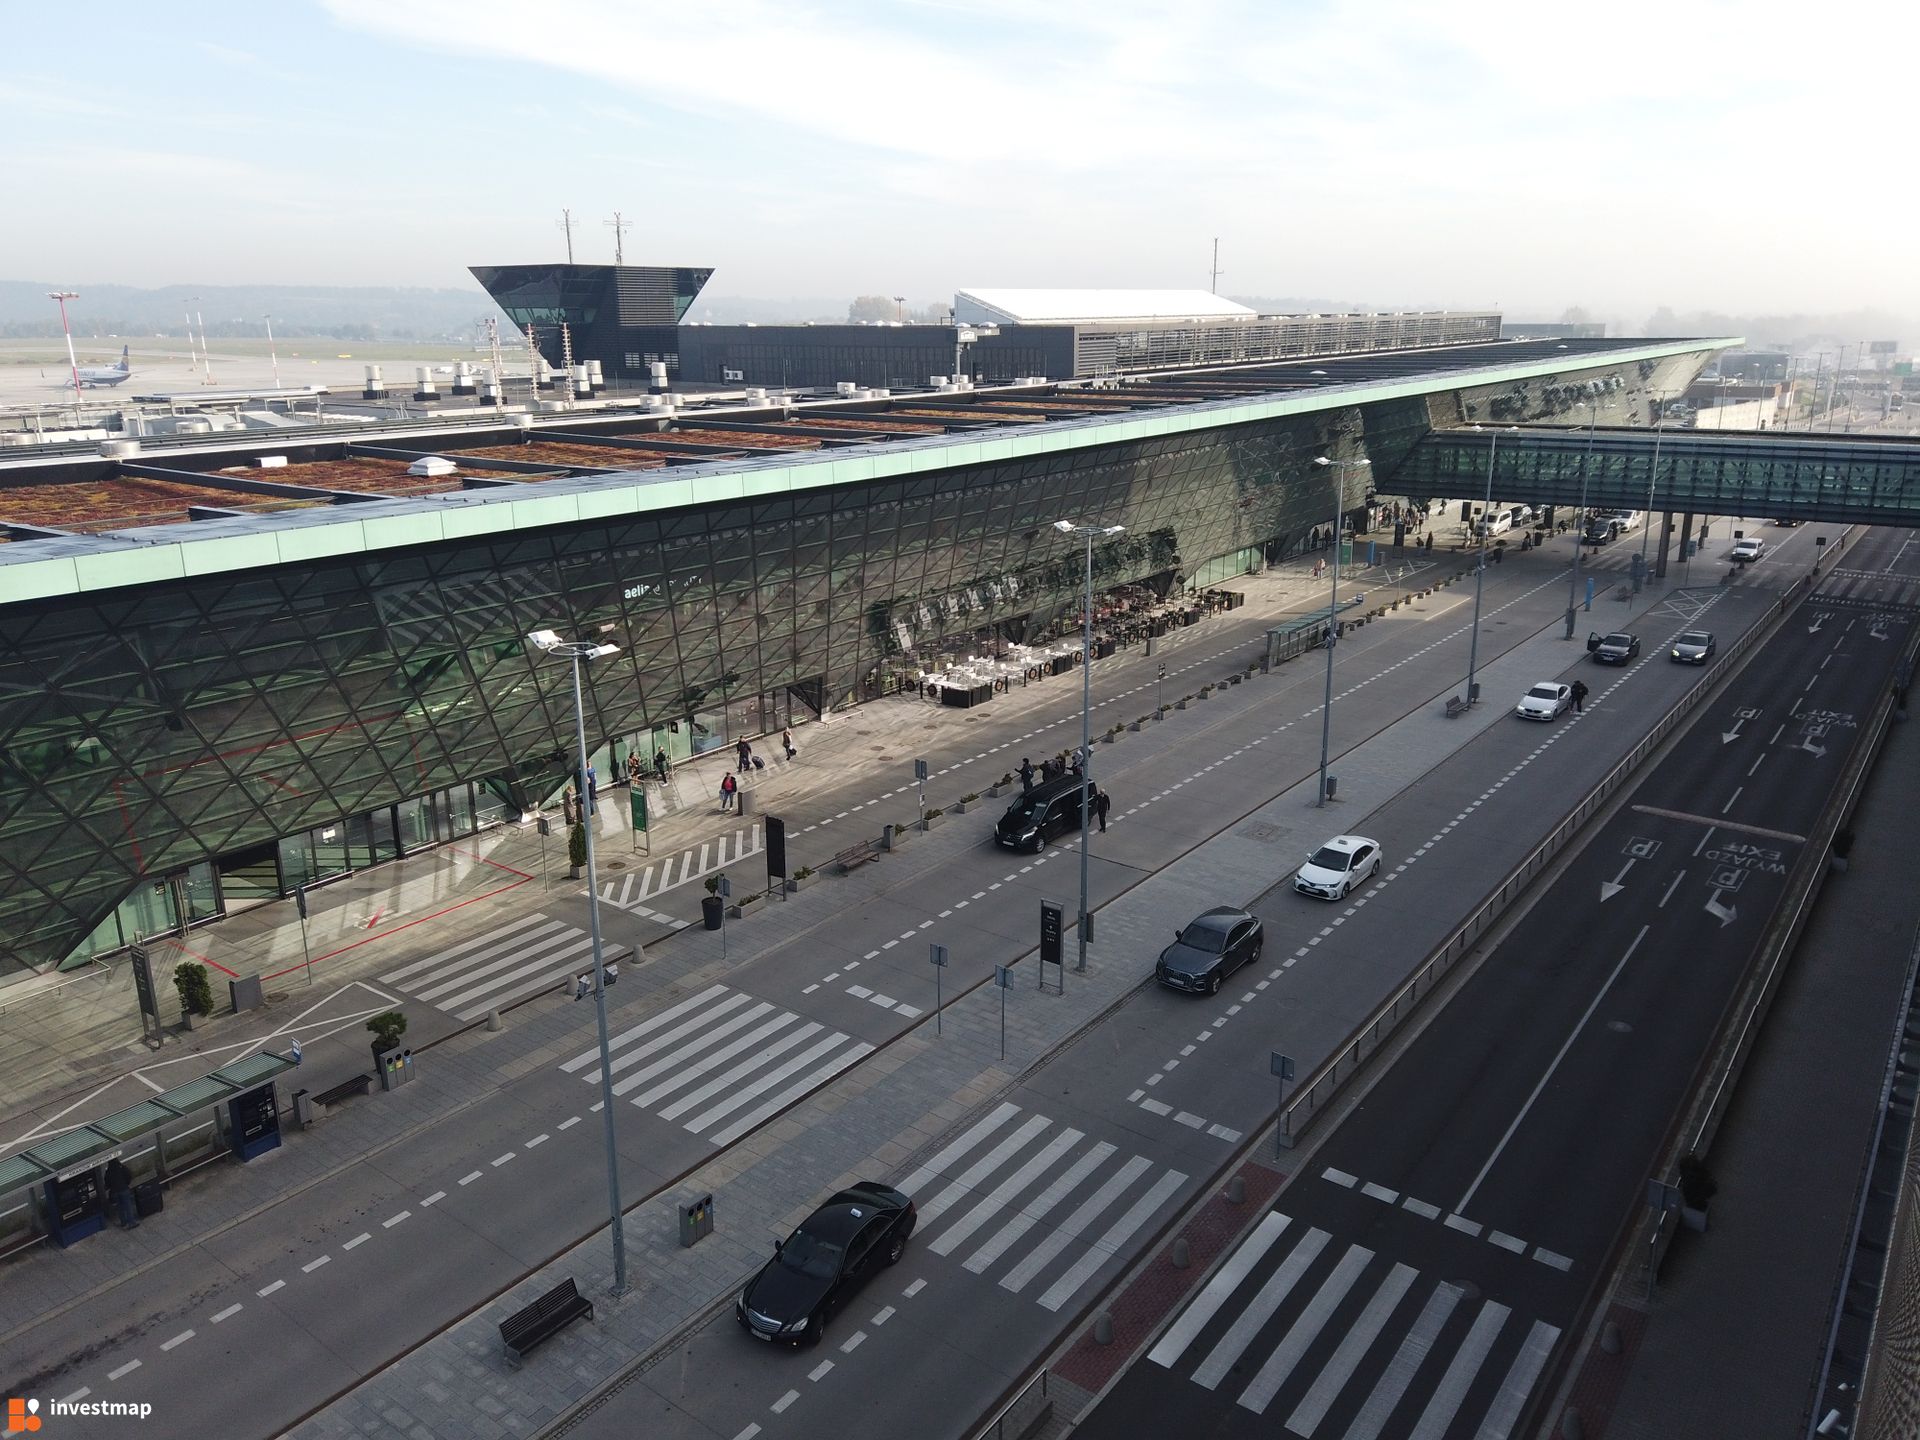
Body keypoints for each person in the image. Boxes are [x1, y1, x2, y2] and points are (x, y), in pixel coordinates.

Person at [104, 1156, 138, 1229]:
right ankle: (131, 1222)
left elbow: (107, 1184)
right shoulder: (121, 1168)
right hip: (124, 1189)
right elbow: (129, 1175)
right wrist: (126, 1183)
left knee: (120, 1208)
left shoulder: (108, 1172)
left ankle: (123, 1222)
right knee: (128, 1206)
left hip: (115, 1192)